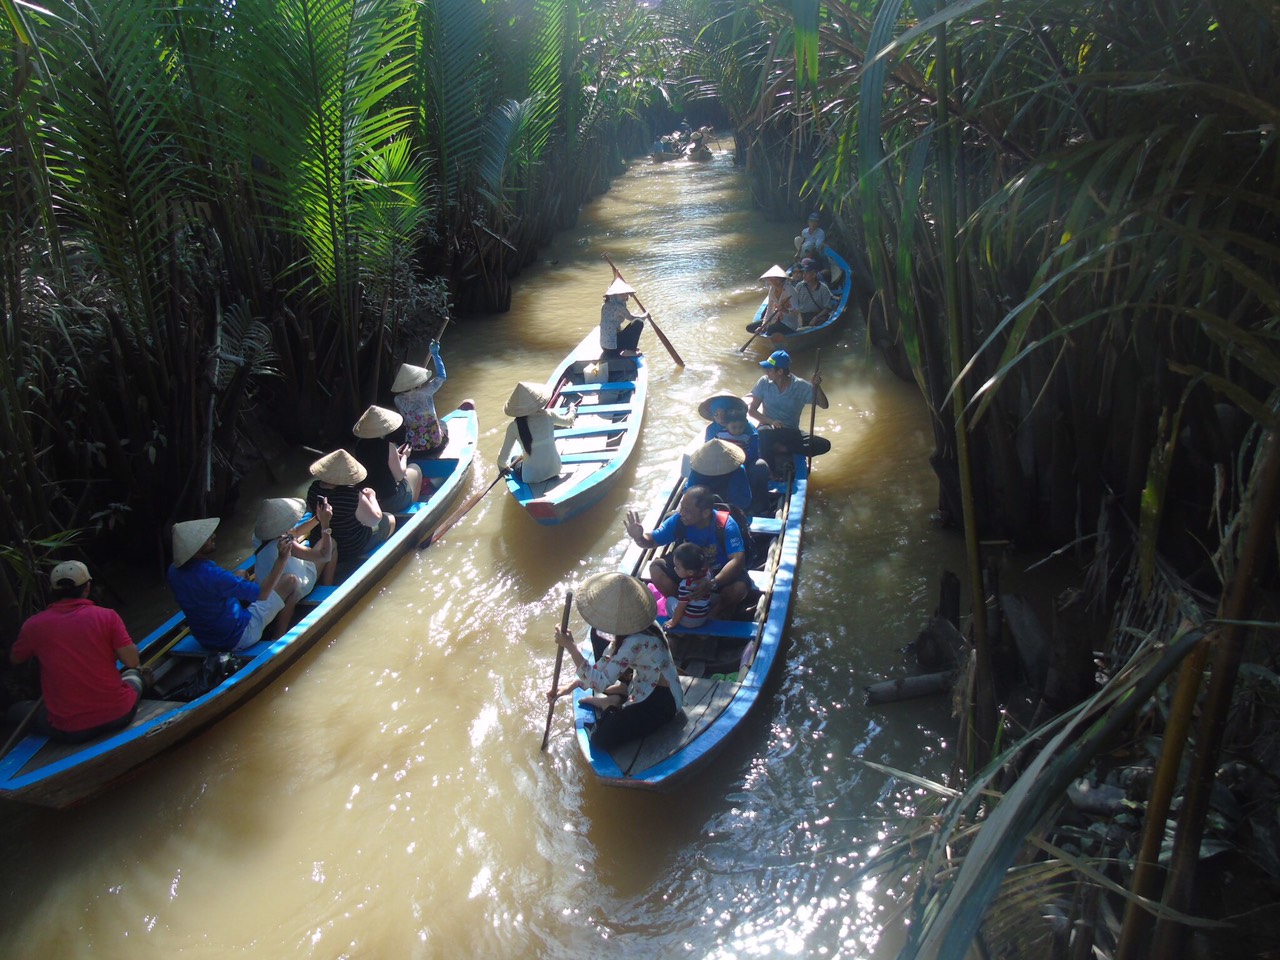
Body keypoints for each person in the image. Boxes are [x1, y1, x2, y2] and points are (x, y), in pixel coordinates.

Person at [7, 561, 145, 743]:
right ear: (87, 588)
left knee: (16, 711)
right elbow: (131, 661)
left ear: (53, 592)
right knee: (134, 675)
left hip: (73, 730)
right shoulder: (107, 615)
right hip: (118, 715)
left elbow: (15, 659)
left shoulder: (33, 626)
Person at [547, 572, 682, 751]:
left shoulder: (634, 642)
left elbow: (601, 683)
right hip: (643, 683)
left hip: (663, 701)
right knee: (597, 635)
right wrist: (570, 687)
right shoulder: (639, 628)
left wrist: (571, 647)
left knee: (600, 740)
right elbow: (603, 663)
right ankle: (622, 691)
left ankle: (612, 703)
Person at [168, 519, 299, 652]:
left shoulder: (173, 571)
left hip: (205, 640)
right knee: (291, 581)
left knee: (241, 573)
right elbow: (263, 594)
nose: (213, 536)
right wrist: (282, 558)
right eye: (207, 537)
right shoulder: (214, 576)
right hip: (239, 637)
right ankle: (278, 638)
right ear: (196, 548)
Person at [623, 485, 751, 618]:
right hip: (686, 572)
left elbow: (737, 559)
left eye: (688, 511)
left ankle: (712, 615)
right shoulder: (678, 521)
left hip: (718, 573)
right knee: (656, 568)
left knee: (739, 589)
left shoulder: (725, 525)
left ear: (705, 513)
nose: (682, 513)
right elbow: (652, 541)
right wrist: (639, 537)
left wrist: (712, 583)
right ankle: (685, 608)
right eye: (681, 507)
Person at [252, 496, 336, 636]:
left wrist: (317, 518)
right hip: (296, 584)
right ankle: (328, 589)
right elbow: (324, 555)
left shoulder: (258, 536)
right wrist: (325, 525)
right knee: (331, 544)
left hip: (266, 586)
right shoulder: (286, 544)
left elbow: (296, 532)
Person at [305, 449, 395, 562]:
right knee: (389, 519)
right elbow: (375, 519)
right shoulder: (352, 495)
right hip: (349, 547)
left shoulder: (314, 488)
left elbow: (310, 509)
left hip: (318, 543)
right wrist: (372, 496)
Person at [749, 349, 829, 473]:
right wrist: (772, 421)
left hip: (789, 431)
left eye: (770, 369)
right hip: (769, 428)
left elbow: (824, 405)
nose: (767, 372)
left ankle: (781, 448)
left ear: (780, 371)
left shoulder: (800, 386)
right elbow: (752, 411)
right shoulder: (764, 382)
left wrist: (816, 387)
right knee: (763, 433)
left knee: (824, 445)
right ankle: (771, 471)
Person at [700, 392, 772, 516]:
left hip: (744, 461)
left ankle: (759, 506)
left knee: (760, 467)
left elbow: (754, 451)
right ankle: (709, 504)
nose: (720, 417)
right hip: (719, 464)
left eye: (723, 413)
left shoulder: (746, 427)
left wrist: (737, 459)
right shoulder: (711, 430)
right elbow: (708, 451)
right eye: (716, 414)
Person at [496, 382, 576, 484]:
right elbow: (569, 421)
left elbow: (502, 461)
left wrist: (502, 468)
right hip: (555, 470)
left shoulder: (513, 427)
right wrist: (572, 410)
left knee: (514, 458)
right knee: (519, 457)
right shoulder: (549, 415)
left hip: (531, 478)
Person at [352, 404, 424, 513]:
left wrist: (395, 455)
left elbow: (375, 462)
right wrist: (404, 456)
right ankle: (411, 508)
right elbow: (400, 476)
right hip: (390, 501)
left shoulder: (359, 445)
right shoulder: (388, 446)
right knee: (415, 468)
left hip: (369, 501)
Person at [392, 340, 449, 455]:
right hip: (436, 446)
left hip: (414, 449)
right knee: (442, 424)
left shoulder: (397, 399)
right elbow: (442, 376)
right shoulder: (426, 391)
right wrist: (435, 354)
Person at [687, 438, 753, 514]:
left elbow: (745, 498)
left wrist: (725, 509)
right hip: (702, 511)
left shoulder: (738, 470)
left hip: (730, 510)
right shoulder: (696, 472)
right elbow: (690, 495)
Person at [667, 542, 713, 632]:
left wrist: (673, 622)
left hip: (689, 622)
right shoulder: (706, 573)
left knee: (669, 600)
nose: (674, 569)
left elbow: (681, 608)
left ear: (690, 572)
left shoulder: (686, 586)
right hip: (703, 618)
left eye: (677, 567)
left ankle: (679, 632)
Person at [599, 277, 648, 358]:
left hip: (604, 347)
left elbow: (613, 287)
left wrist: (616, 275)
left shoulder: (605, 305)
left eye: (625, 293)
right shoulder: (619, 307)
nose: (625, 296)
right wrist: (645, 315)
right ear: (614, 295)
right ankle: (630, 351)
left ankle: (628, 347)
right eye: (621, 294)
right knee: (638, 323)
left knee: (622, 329)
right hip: (613, 349)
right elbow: (632, 318)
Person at [746, 265, 799, 338]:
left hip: (788, 323)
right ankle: (767, 333)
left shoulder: (789, 290)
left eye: (776, 279)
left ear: (781, 279)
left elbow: (796, 311)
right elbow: (769, 310)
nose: (773, 281)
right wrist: (763, 326)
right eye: (771, 279)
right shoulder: (772, 290)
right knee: (750, 327)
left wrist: (785, 310)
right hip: (775, 319)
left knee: (771, 329)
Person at [790, 258, 834, 328]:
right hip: (802, 315)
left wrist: (815, 318)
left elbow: (827, 308)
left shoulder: (823, 288)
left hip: (817, 315)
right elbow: (794, 303)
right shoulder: (799, 286)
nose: (803, 275)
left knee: (820, 322)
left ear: (813, 275)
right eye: (803, 273)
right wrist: (798, 317)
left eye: (806, 273)